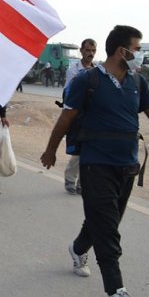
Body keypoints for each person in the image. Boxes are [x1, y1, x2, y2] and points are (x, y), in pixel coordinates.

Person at [40, 25, 149, 297]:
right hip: (95, 164)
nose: (138, 55)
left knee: (106, 221)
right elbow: (66, 118)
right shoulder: (87, 80)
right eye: (137, 49)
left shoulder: (137, 82)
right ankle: (116, 289)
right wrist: (50, 150)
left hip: (127, 164)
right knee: (106, 229)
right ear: (122, 50)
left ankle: (78, 248)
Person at [63, 38, 97, 195]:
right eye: (88, 50)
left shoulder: (97, 71)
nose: (90, 53)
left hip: (91, 117)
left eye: (93, 51)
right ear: (81, 51)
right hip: (77, 115)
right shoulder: (73, 70)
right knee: (77, 152)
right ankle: (70, 180)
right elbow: (69, 93)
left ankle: (83, 184)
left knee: (89, 152)